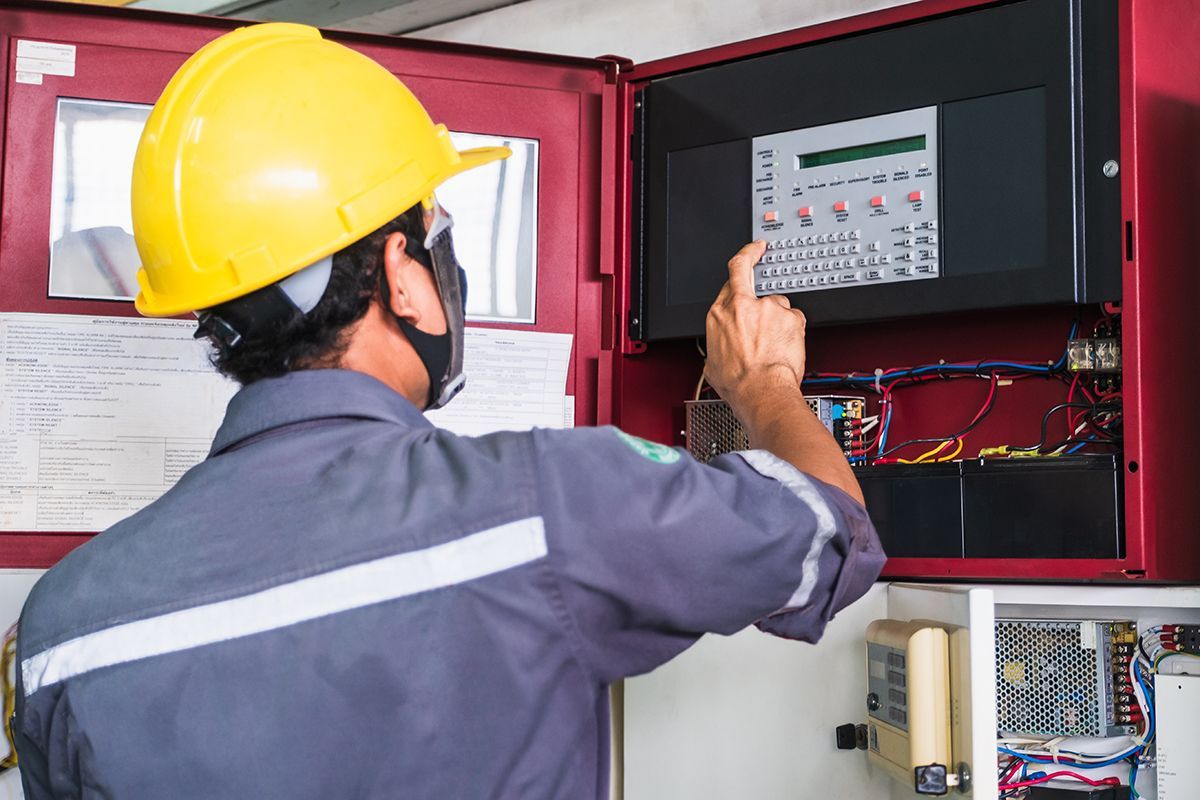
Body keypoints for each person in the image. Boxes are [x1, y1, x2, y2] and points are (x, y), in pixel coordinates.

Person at [13, 22, 883, 800]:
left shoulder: (63, 628)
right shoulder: (546, 502)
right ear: (401, 271)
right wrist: (763, 379)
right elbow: (829, 532)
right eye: (438, 240)